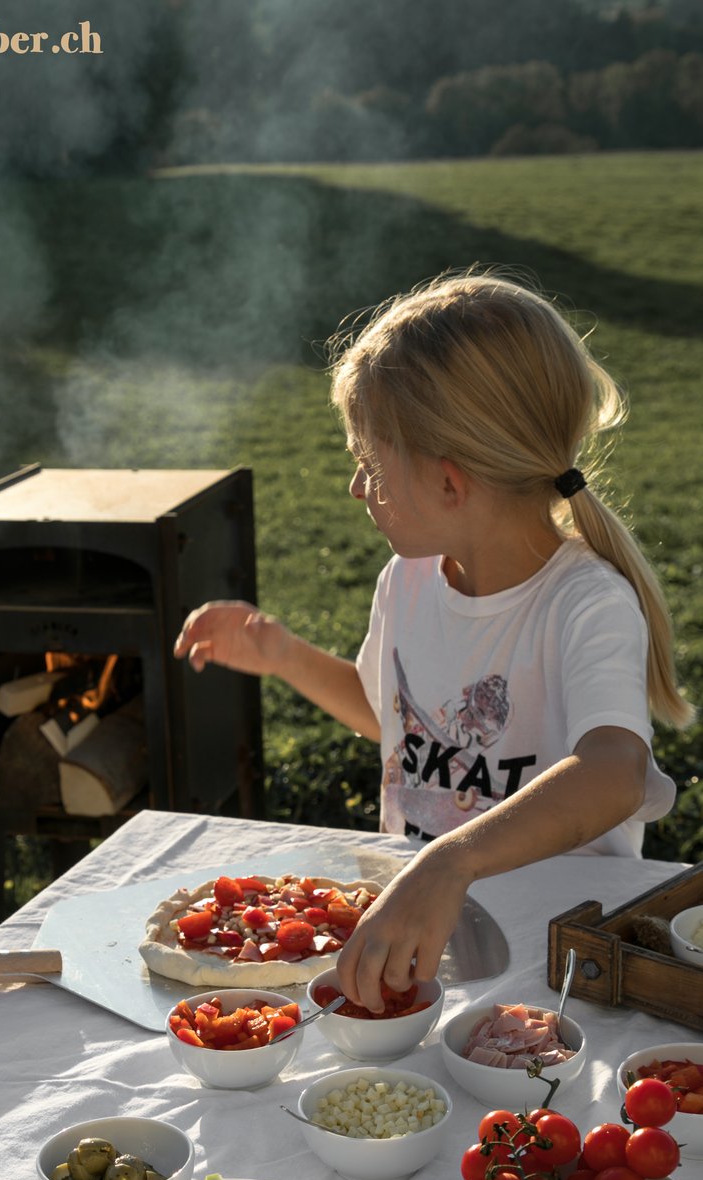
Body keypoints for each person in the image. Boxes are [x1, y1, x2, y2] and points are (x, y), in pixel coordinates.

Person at [173, 269, 693, 1012]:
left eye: (369, 463)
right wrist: (282, 654)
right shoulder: (409, 580)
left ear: (450, 484)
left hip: (563, 960)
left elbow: (613, 772)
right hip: (430, 933)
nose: (357, 487)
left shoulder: (584, 603)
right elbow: (393, 716)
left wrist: (453, 858)